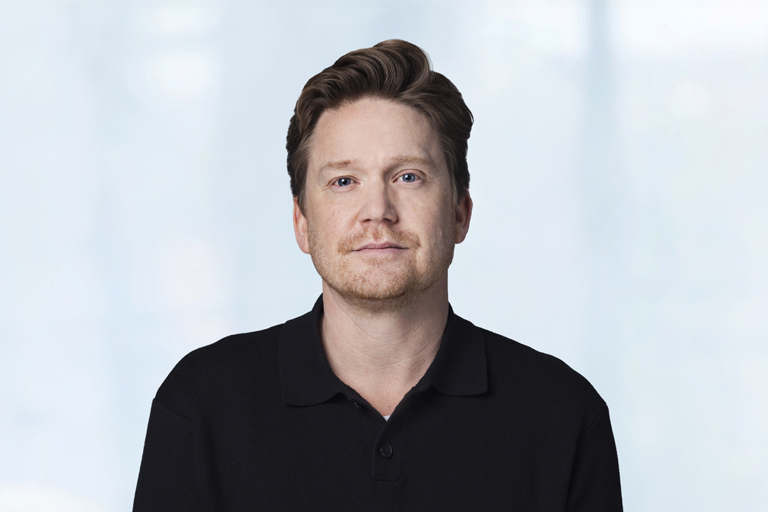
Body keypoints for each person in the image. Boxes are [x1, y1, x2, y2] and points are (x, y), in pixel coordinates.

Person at [133, 39, 622, 511]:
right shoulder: (201, 406)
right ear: (302, 222)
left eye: (408, 176)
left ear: (459, 213)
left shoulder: (563, 415)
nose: (378, 210)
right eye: (344, 181)